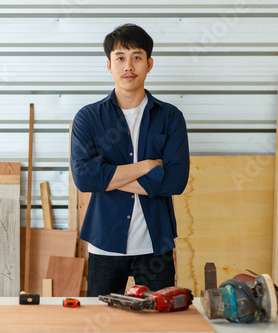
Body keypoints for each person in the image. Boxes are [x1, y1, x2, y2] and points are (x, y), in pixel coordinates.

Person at [70, 23, 190, 297]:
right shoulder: (88, 118)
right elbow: (85, 179)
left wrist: (108, 178)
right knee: (101, 320)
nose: (128, 66)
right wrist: (147, 167)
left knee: (160, 319)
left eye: (136, 57)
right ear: (109, 65)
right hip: (104, 242)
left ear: (149, 63)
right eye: (120, 58)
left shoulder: (170, 117)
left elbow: (176, 180)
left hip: (155, 244)